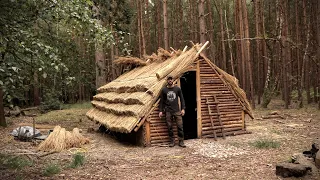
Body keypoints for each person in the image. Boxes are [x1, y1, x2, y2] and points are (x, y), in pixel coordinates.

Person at [159, 75, 186, 147]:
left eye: (171, 79)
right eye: (168, 79)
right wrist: (160, 111)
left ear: (173, 80)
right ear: (167, 81)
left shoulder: (177, 89)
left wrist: (183, 109)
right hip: (168, 111)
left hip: (177, 110)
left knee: (180, 126)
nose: (170, 80)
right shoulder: (164, 90)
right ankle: (172, 141)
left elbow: (182, 99)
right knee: (169, 126)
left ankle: (181, 141)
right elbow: (162, 101)